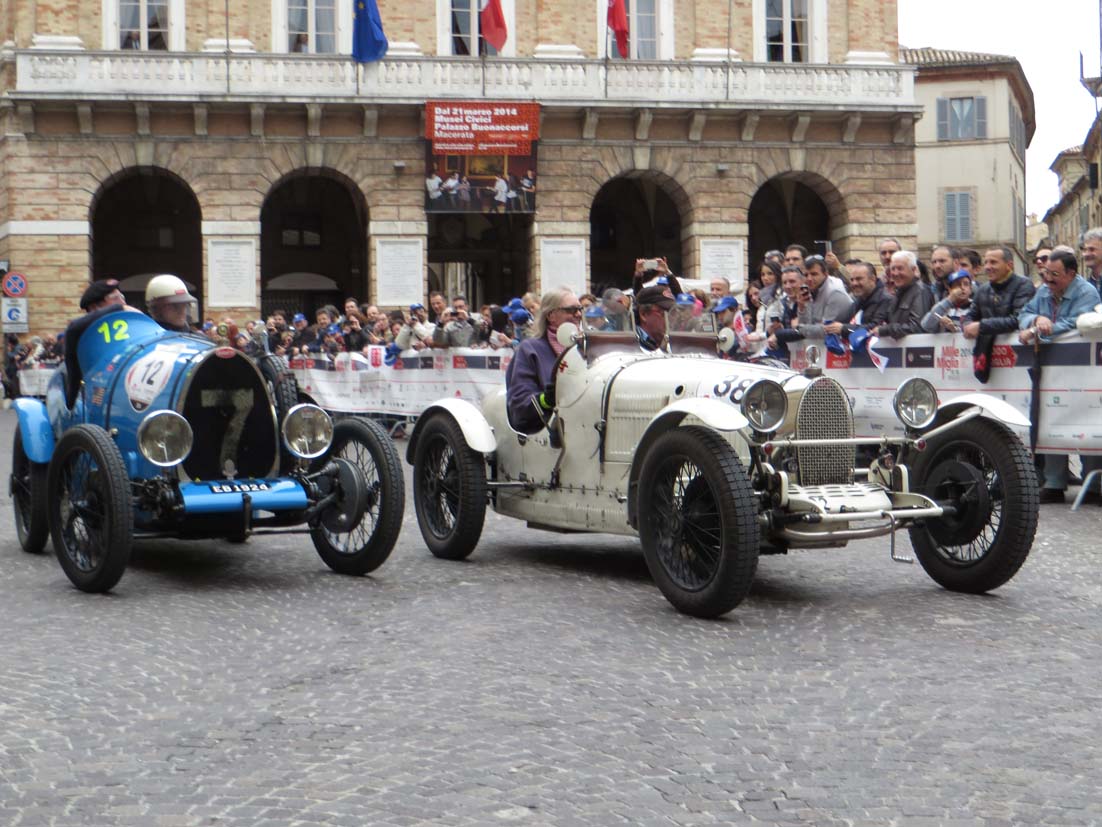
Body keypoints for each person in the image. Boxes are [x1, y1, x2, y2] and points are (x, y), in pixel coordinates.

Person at [1018, 249, 1102, 503]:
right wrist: (1036, 319)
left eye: (1055, 275)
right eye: (1046, 274)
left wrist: (1045, 329)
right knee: (1051, 419)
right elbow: (1024, 314)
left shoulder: (1086, 292)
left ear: (1071, 274)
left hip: (1082, 369)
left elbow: (1078, 323)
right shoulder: (1043, 290)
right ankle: (1054, 482)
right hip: (1050, 366)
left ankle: (1094, 484)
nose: (1048, 280)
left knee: (1087, 420)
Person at [505, 287, 582, 433]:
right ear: (551, 315)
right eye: (571, 310)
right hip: (549, 434)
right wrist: (546, 400)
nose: (578, 314)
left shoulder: (585, 347)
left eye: (580, 309)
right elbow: (519, 404)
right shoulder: (530, 349)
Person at [962, 246, 1035, 341]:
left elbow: (1020, 319)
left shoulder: (1024, 285)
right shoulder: (983, 289)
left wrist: (982, 326)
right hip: (987, 351)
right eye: (986, 263)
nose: (987, 267)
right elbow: (970, 315)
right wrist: (967, 325)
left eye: (993, 262)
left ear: (1009, 265)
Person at [871, 251, 933, 339]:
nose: (896, 273)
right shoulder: (899, 292)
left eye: (900, 268)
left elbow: (917, 327)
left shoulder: (921, 291)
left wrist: (885, 330)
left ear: (914, 270)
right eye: (893, 269)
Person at [825, 261, 890, 340]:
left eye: (859, 279)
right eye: (852, 280)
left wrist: (844, 329)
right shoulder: (858, 300)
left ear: (872, 279)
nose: (854, 283)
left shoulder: (885, 300)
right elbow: (846, 324)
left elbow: (873, 329)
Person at [794, 254, 851, 341]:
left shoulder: (835, 291)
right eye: (806, 275)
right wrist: (801, 309)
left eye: (814, 274)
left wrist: (798, 328)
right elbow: (808, 324)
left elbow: (824, 331)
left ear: (825, 274)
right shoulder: (808, 290)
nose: (809, 278)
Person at [635, 285, 675, 351]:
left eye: (673, 313)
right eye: (664, 314)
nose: (672, 319)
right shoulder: (630, 344)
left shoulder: (674, 344)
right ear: (643, 314)